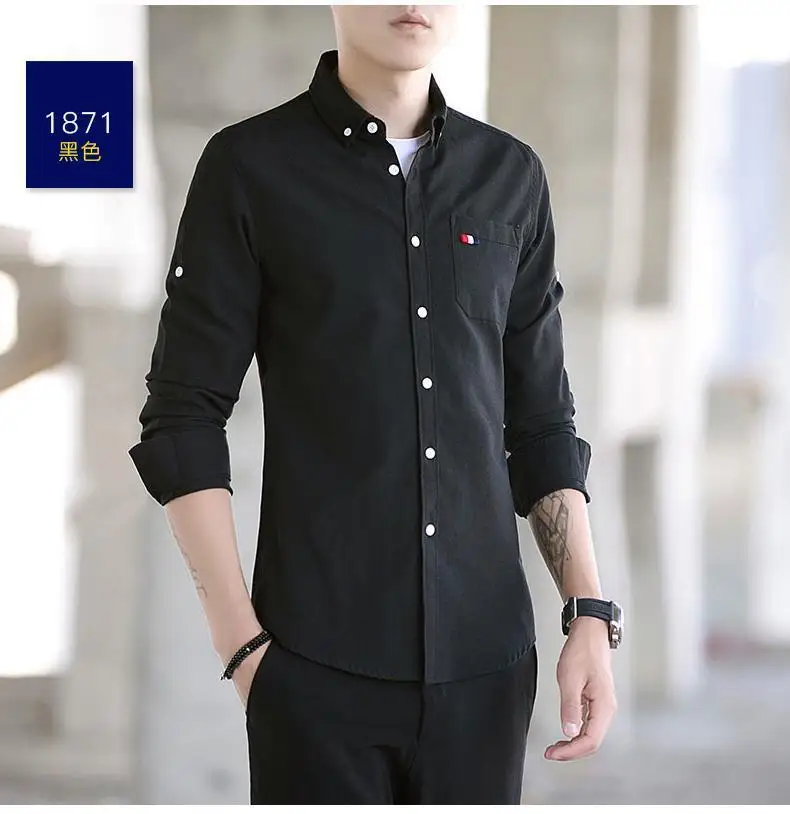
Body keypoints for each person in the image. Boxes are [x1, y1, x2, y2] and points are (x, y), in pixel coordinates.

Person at [129, 4, 622, 805]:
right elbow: (182, 416)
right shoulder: (250, 168)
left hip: (487, 672)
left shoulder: (511, 177)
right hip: (313, 670)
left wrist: (588, 613)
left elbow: (541, 424)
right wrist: (242, 647)